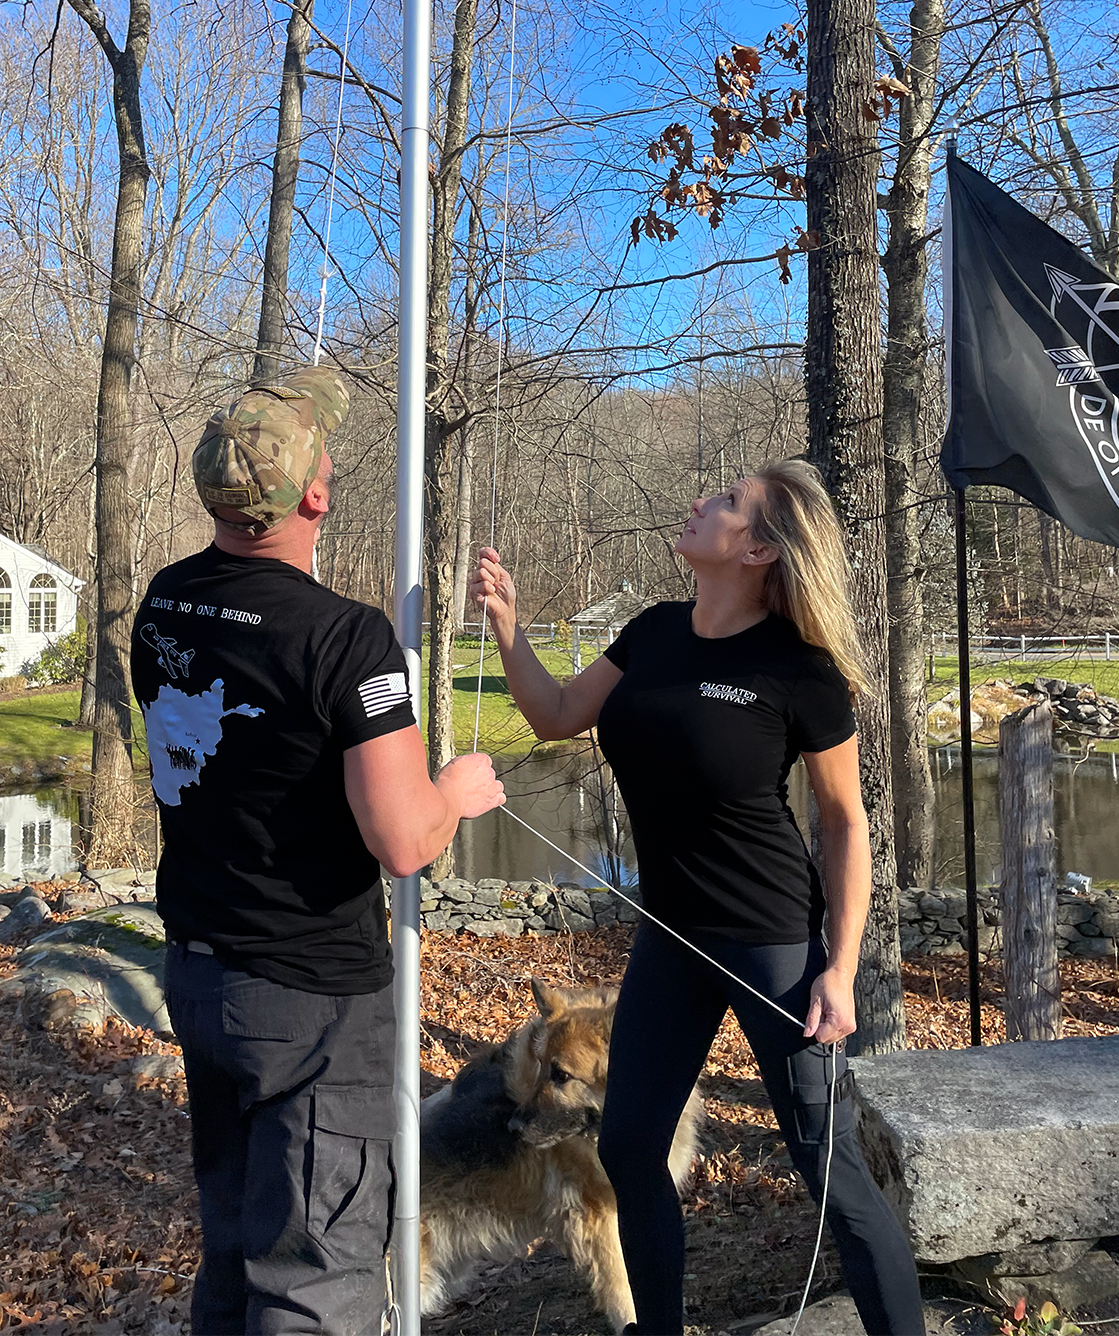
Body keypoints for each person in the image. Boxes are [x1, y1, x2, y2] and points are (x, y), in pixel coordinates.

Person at [472, 459, 925, 1336]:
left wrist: (838, 967)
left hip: (772, 947)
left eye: (724, 502)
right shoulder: (651, 634)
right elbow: (558, 715)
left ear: (757, 547)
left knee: (829, 1167)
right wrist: (507, 628)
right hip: (670, 941)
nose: (698, 503)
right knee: (629, 1148)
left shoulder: (802, 674)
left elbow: (843, 826)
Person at [130, 367, 503, 1336]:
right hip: (313, 1005)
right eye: (322, 456)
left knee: (237, 1245)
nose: (330, 465)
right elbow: (402, 838)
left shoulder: (166, 604)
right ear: (315, 496)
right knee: (316, 1277)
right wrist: (457, 793)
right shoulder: (347, 640)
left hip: (203, 976)